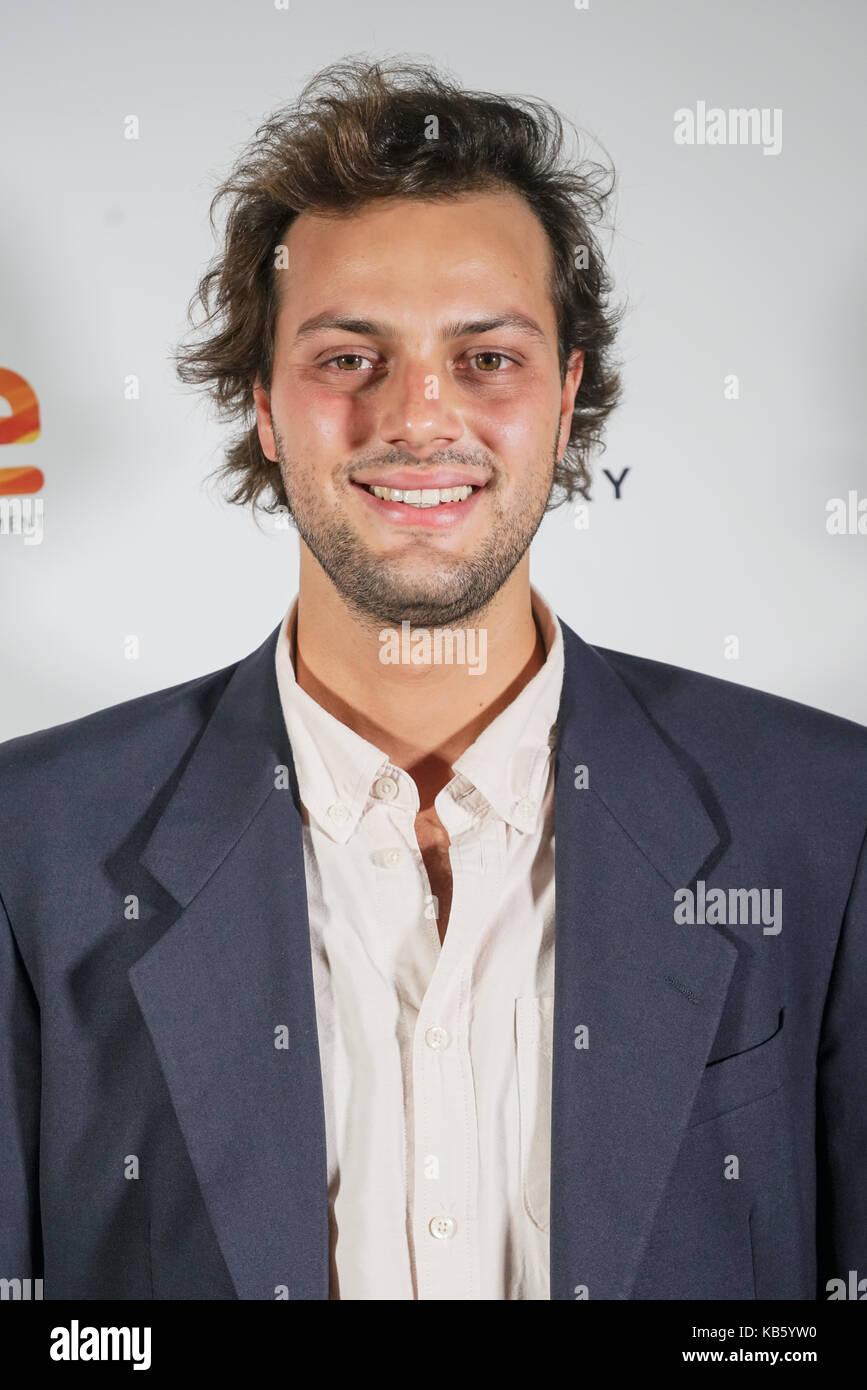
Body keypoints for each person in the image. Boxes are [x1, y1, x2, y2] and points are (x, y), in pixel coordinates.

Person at [1, 56, 865, 1302]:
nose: (417, 417)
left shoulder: (825, 819)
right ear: (261, 404)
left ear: (567, 402)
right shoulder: (33, 845)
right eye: (348, 358)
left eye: (488, 359)